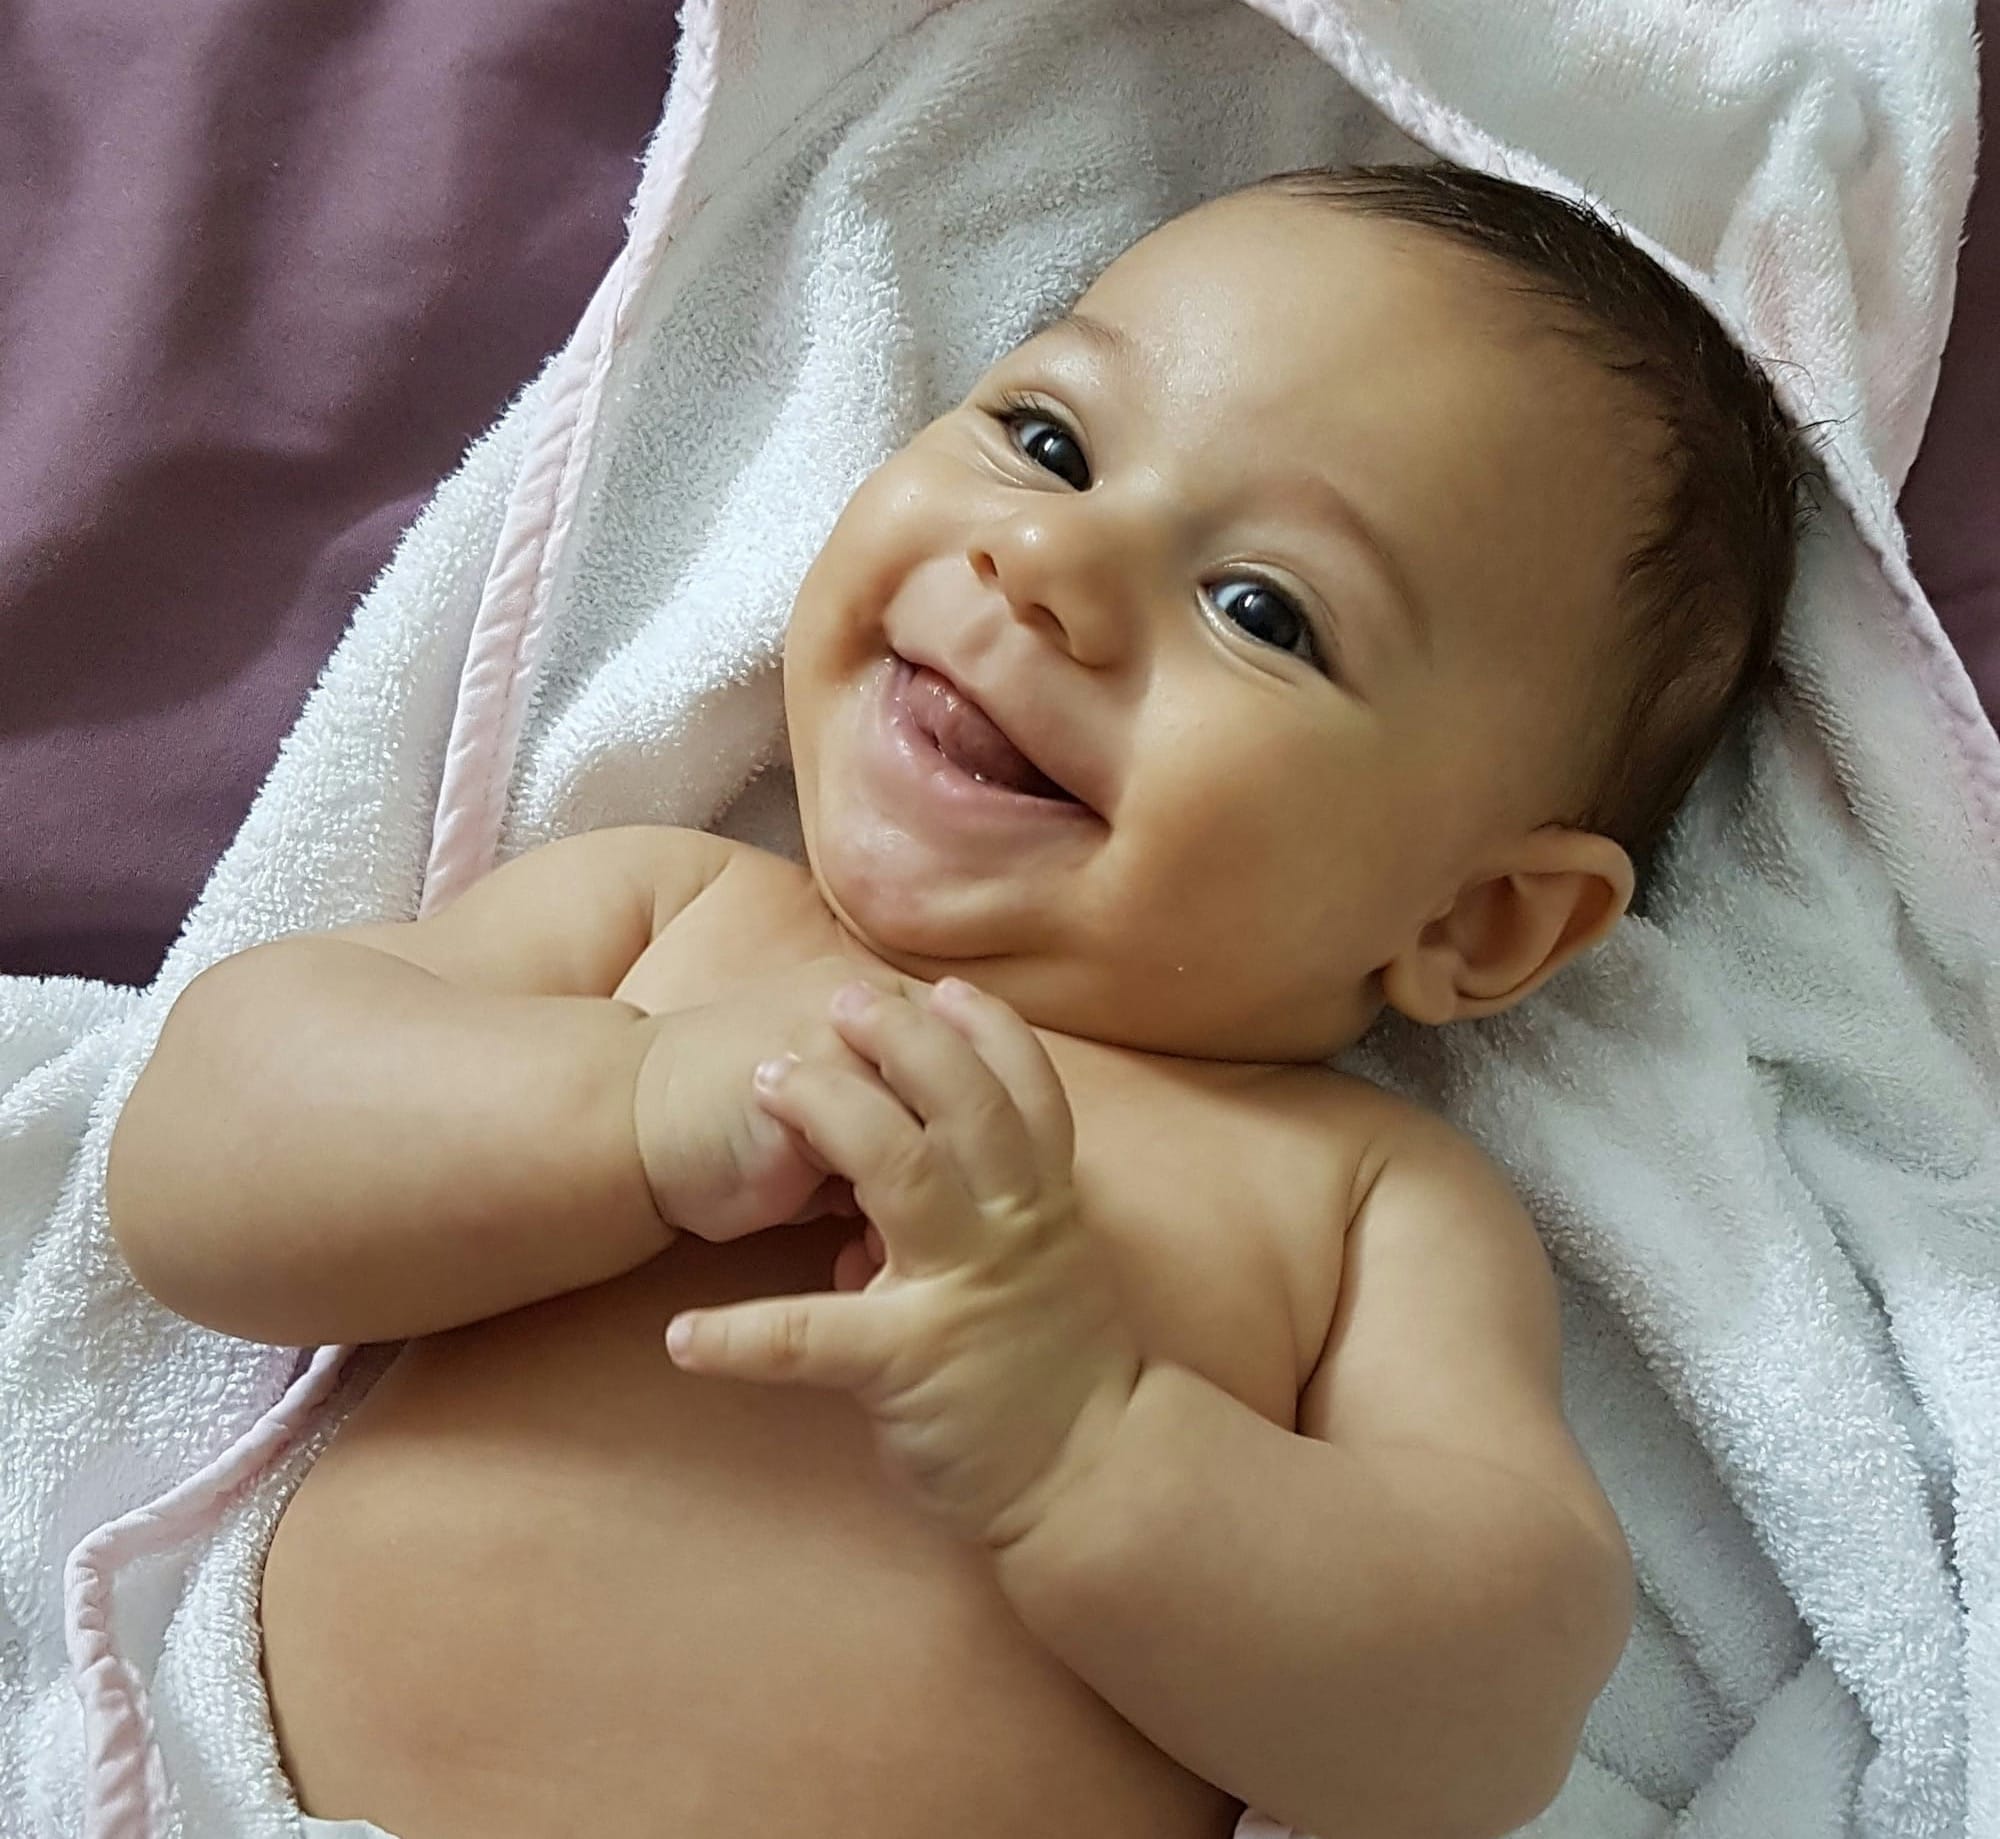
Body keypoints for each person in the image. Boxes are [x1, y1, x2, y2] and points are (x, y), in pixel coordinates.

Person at [106, 162, 1807, 1839]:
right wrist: (624, 1110)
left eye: (1263, 611)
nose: (1051, 567)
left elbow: (1482, 1725)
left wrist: (1088, 1448)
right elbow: (195, 1165)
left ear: (1484, 919)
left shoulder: (1366, 1203)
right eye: (1052, 445)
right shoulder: (675, 916)